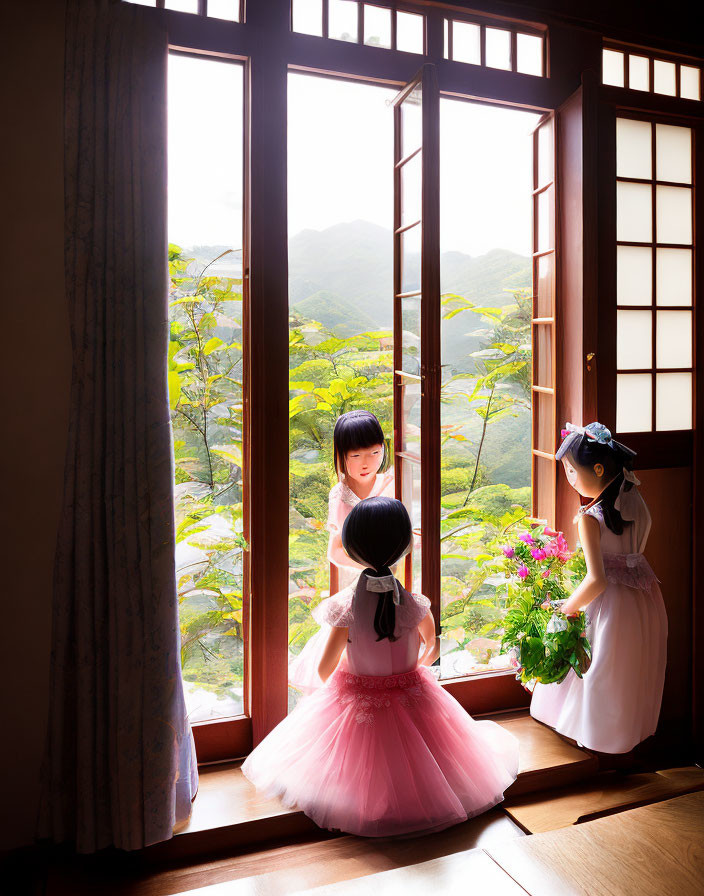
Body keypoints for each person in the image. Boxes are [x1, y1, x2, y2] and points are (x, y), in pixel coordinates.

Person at [243, 497, 520, 838]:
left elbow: (324, 669)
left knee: (353, 770)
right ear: (405, 545)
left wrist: (355, 675)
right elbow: (432, 648)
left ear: (351, 546)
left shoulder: (346, 608)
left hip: (359, 698)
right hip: (413, 694)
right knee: (427, 763)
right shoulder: (415, 605)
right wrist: (409, 673)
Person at [530, 422, 668, 754]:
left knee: (598, 670)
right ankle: (625, 736)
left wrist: (566, 608)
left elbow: (597, 579)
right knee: (629, 670)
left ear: (598, 468)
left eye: (572, 472)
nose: (571, 480)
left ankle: (596, 738)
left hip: (610, 604)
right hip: (645, 598)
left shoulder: (590, 518)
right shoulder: (636, 502)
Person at [327, 410, 394, 590]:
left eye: (374, 452)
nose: (366, 463)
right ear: (341, 455)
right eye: (356, 456)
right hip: (356, 582)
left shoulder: (392, 485)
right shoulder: (340, 497)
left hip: (395, 576)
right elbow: (334, 551)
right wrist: (372, 571)